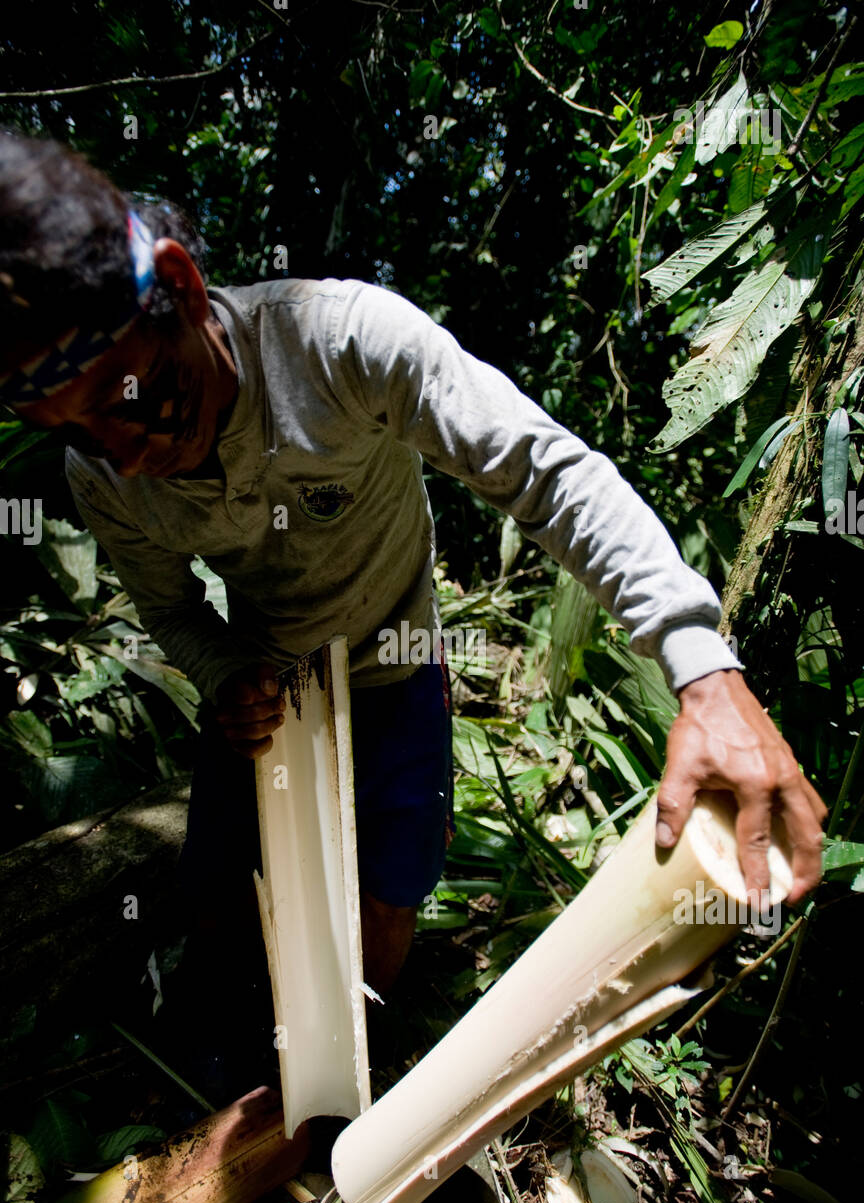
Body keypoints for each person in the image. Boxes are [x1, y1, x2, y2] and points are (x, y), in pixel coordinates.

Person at [0, 130, 827, 1003]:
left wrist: (703, 669)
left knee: (385, 904)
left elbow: (548, 474)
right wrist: (225, 672)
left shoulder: (340, 343)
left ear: (180, 286)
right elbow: (169, 609)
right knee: (219, 894)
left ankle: (354, 1106)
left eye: (134, 403)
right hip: (265, 688)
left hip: (396, 668)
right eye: (81, 434)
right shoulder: (103, 477)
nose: (125, 457)